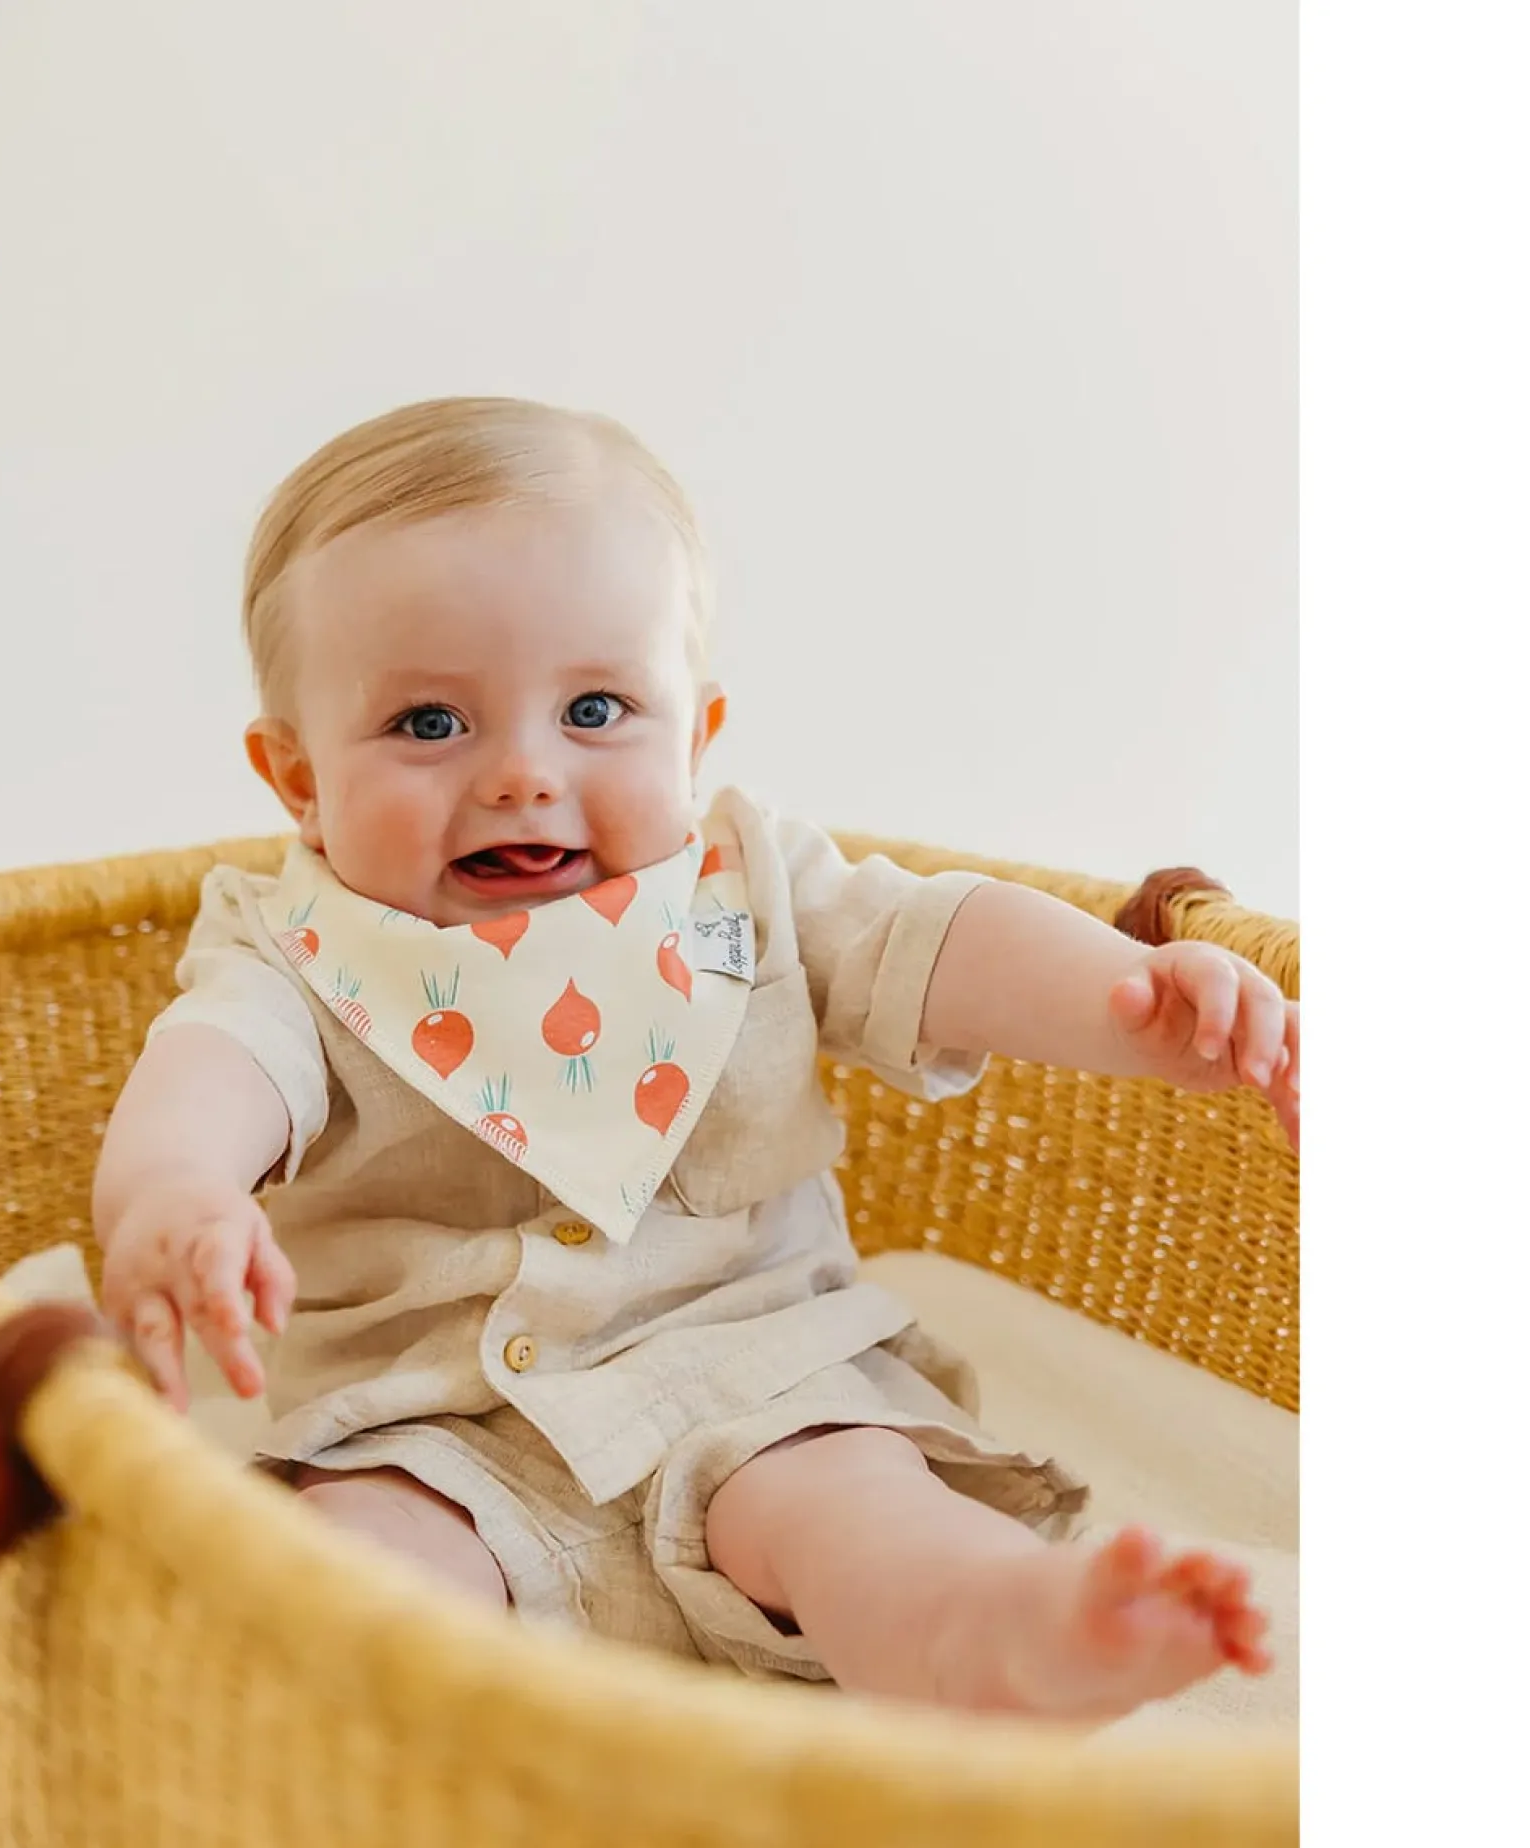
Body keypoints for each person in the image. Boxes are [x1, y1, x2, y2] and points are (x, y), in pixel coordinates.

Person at [91, 397, 1296, 1718]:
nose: (522, 775)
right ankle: (415, 1746)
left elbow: (937, 940)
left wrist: (1128, 1001)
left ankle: (995, 1635)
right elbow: (215, 1065)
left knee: (865, 1519)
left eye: (595, 707)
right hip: (427, 1431)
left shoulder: (744, 886)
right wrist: (177, 1192)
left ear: (696, 734)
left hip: (760, 1384)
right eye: (430, 724)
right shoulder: (292, 947)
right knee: (344, 1577)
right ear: (297, 778)